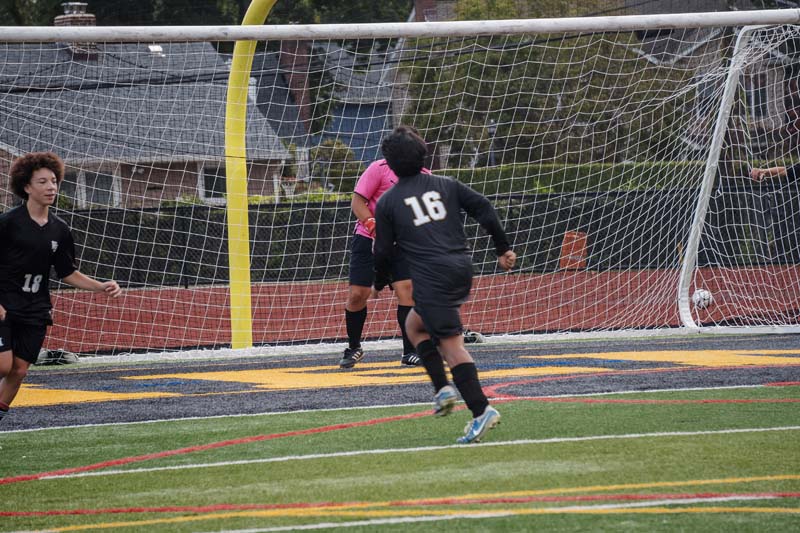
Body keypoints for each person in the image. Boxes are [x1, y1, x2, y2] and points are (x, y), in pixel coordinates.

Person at [373, 126, 517, 444]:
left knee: (452, 346)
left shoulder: (388, 202)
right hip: (461, 268)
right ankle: (442, 390)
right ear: (423, 155)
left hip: (432, 276)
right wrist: (502, 248)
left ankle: (481, 411)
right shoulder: (447, 185)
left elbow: (382, 251)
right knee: (415, 325)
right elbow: (484, 208)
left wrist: (378, 281)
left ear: (389, 164)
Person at [0, 152, 122, 423]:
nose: (51, 187)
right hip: (5, 306)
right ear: (26, 187)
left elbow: (67, 272)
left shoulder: (60, 230)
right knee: (3, 365)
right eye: (42, 181)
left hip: (35, 308)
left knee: (19, 370)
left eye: (54, 181)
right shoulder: (8, 223)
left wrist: (101, 287)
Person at [339, 150, 429, 369]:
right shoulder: (378, 169)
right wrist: (373, 225)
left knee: (407, 290)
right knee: (358, 294)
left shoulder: (425, 176)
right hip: (368, 240)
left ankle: (410, 351)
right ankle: (354, 347)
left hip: (403, 244)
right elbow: (357, 202)